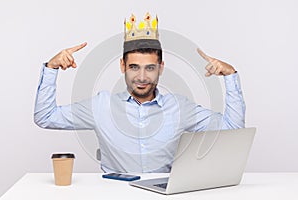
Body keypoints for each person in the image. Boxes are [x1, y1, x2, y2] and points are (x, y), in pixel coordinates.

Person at [34, 13, 245, 173]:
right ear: (122, 66)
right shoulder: (102, 106)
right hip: (115, 194)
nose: (142, 77)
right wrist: (51, 69)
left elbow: (232, 128)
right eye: (134, 67)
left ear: (161, 67)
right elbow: (45, 117)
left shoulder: (179, 107)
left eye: (150, 68)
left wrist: (230, 76)